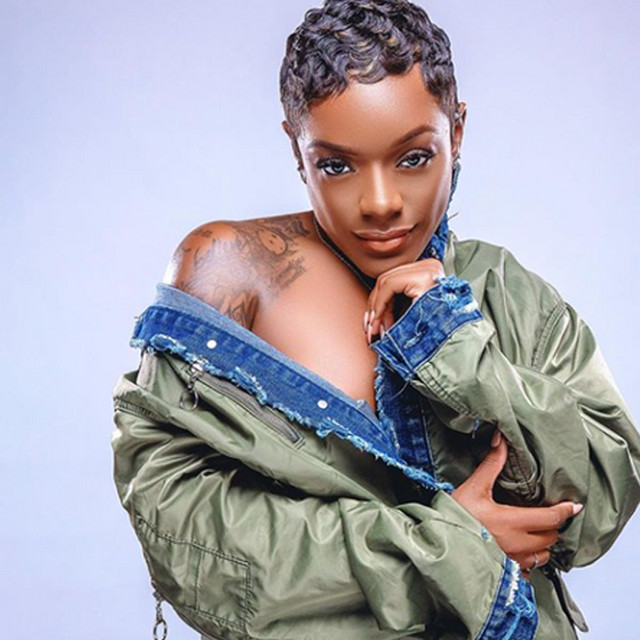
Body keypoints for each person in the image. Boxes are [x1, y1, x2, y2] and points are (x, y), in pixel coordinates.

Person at [111, 1, 640, 639]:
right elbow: (187, 542)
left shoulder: (508, 292)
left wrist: (456, 346)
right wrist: (448, 548)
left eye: (413, 158)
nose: (381, 203)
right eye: (336, 165)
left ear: (457, 132)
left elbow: (598, 507)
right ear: (296, 148)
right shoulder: (233, 271)